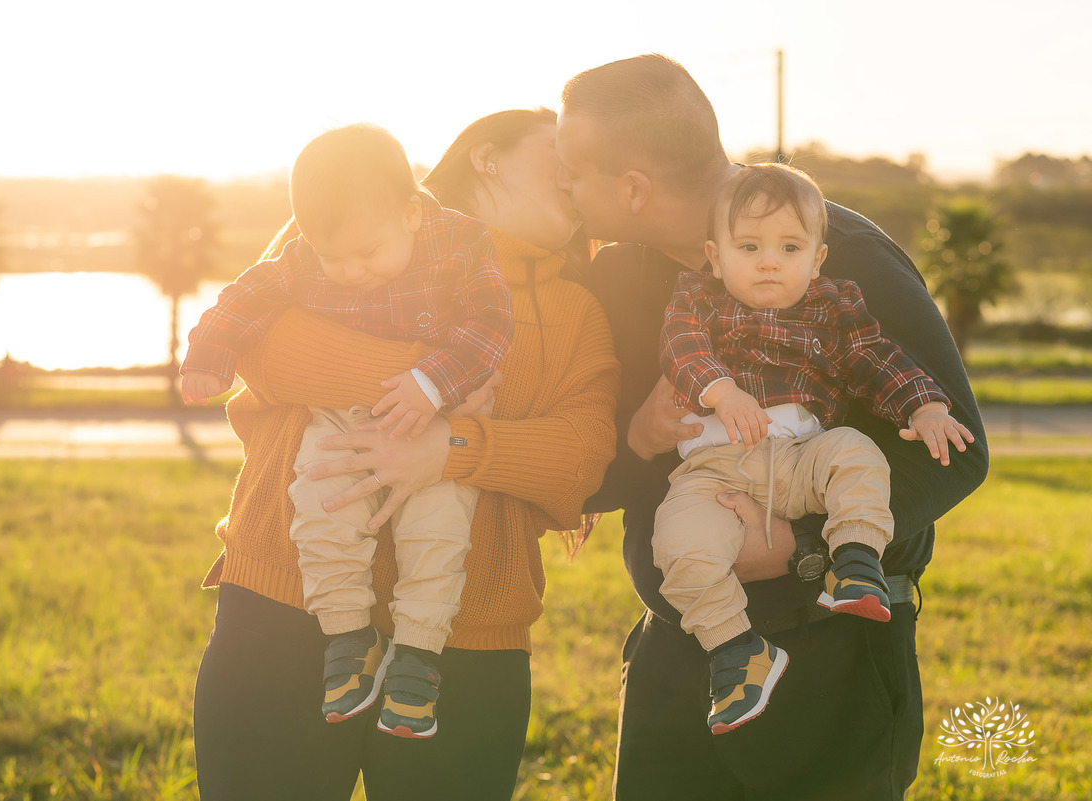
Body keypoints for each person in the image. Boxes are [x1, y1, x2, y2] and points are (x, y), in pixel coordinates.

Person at [557, 55, 989, 800]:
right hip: (677, 651)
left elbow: (956, 452)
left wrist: (803, 548)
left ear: (632, 188)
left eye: (574, 172)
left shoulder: (844, 253)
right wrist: (640, 435)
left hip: (835, 654)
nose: (564, 190)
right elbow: (591, 469)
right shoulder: (617, 280)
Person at [192, 108, 620, 801]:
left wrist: (451, 447)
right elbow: (270, 350)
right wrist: (440, 377)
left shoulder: (576, 311)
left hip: (467, 638)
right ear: (487, 156)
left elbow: (580, 460)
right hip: (283, 604)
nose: (579, 173)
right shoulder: (339, 232)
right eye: (560, 152)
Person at [181, 123, 515, 739]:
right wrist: (210, 351)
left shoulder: (461, 244)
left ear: (412, 214)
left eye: (366, 253)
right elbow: (247, 295)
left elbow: (491, 327)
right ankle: (348, 635)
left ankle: (418, 652)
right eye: (332, 258)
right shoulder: (307, 257)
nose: (350, 271)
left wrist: (431, 381)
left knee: (436, 530)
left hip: (439, 412)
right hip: (338, 413)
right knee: (320, 501)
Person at [654, 162, 974, 735]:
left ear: (817, 258)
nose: (769, 260)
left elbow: (875, 359)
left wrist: (925, 404)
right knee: (677, 542)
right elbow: (681, 347)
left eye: (789, 246)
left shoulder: (833, 308)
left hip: (802, 457)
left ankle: (854, 561)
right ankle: (736, 650)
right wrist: (720, 390)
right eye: (748, 246)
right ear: (715, 254)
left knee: (854, 452)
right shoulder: (696, 300)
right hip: (714, 471)